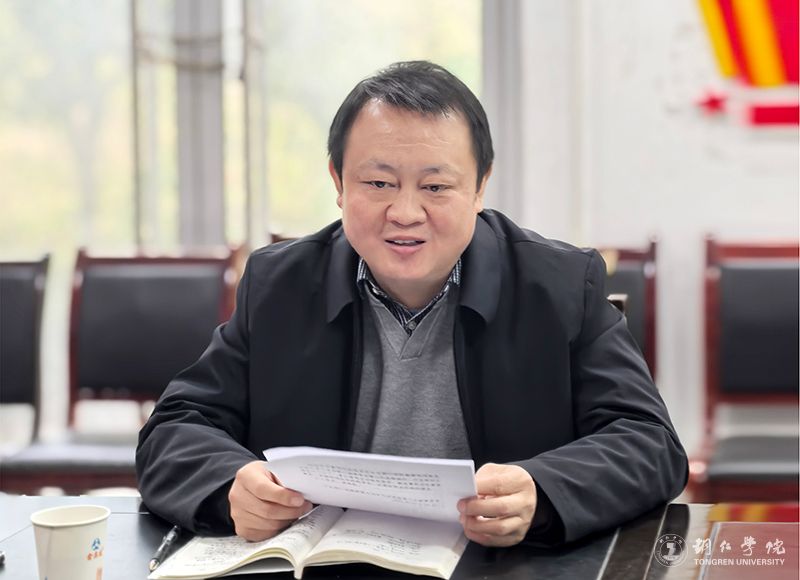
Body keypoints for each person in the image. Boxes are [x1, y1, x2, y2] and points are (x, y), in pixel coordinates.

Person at [136, 60, 687, 548]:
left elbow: (650, 443)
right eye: (378, 183)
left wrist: (542, 491)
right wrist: (229, 486)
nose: (405, 213)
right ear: (338, 181)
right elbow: (174, 429)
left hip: (499, 564)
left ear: (479, 187)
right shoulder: (279, 285)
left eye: (435, 187)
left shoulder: (560, 284)